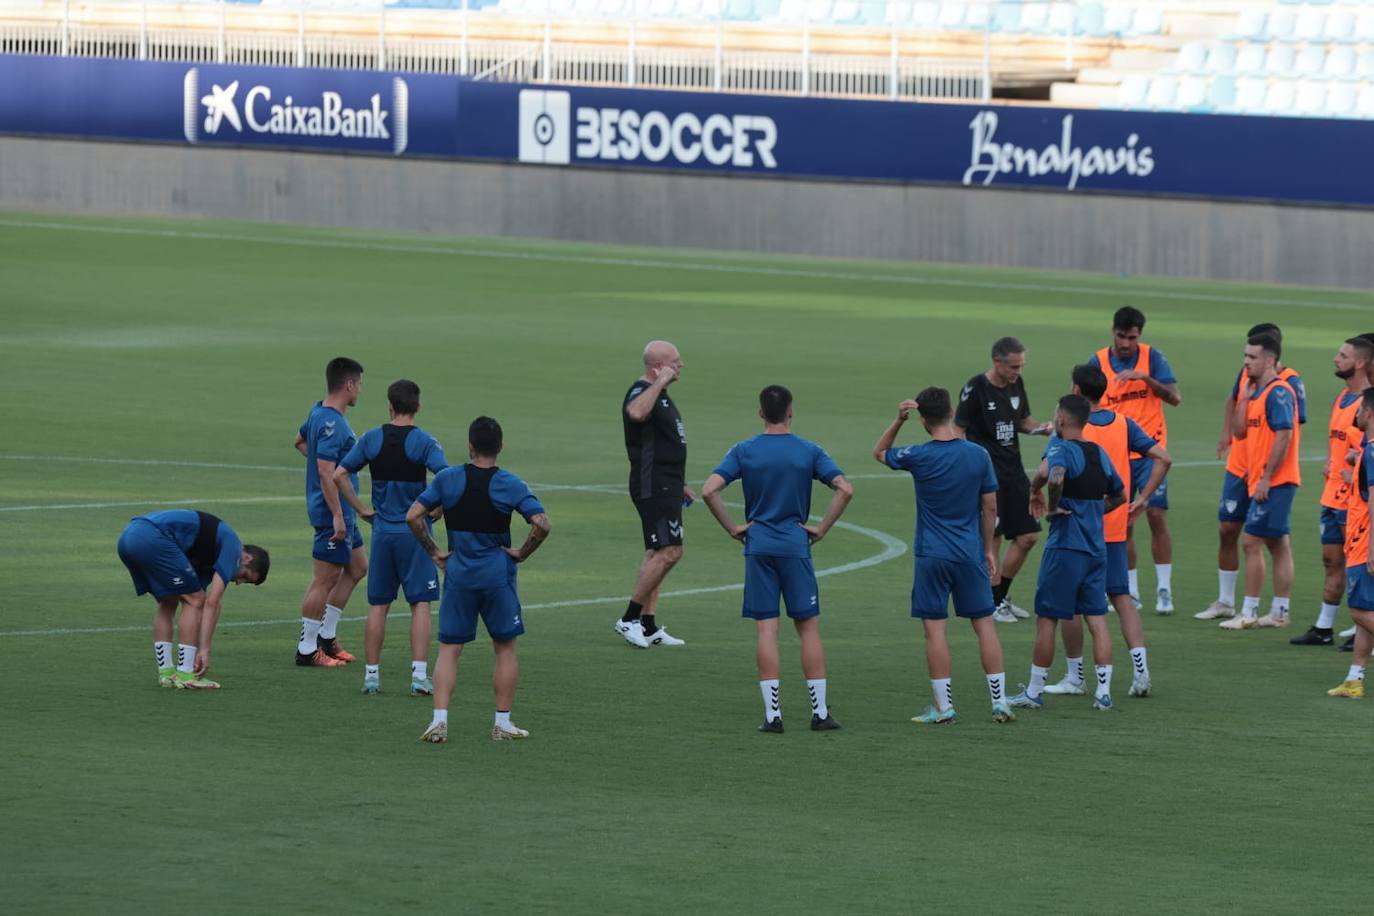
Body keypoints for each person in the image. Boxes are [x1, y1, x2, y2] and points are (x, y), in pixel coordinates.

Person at [701, 385, 851, 733]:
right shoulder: (808, 450)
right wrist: (822, 528)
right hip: (795, 545)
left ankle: (773, 717)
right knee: (808, 629)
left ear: (760, 413)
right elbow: (845, 488)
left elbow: (709, 490)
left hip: (759, 545)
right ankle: (819, 714)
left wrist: (732, 528)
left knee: (767, 630)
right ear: (790, 412)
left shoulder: (744, 450)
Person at [872, 386, 1015, 725]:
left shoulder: (919, 455)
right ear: (951, 411)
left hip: (932, 554)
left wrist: (897, 421)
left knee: (935, 630)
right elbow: (990, 505)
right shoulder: (978, 455)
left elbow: (880, 453)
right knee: (984, 625)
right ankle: (1000, 702)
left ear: (922, 419)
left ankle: (943, 706)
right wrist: (986, 550)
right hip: (968, 553)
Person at [412, 417, 551, 744]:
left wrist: (434, 551)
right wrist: (522, 553)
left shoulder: (447, 479)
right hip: (496, 575)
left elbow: (412, 516)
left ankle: (439, 720)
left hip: (459, 572)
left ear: (470, 446)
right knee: (504, 649)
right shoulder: (511, 484)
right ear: (500, 447)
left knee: (449, 649)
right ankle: (502, 723)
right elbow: (542, 524)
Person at [1043, 365, 1171, 699]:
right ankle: (1141, 674)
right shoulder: (1123, 423)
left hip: (1075, 530)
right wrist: (1141, 499)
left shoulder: (1069, 431)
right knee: (1122, 599)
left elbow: (1049, 473)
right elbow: (1163, 458)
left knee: (1069, 604)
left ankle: (1075, 676)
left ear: (1074, 391)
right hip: (1115, 527)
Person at [1009, 395, 1127, 712]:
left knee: (1047, 618)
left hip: (1066, 548)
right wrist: (1092, 511)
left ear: (1061, 418)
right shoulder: (1099, 453)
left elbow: (1055, 475)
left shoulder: (1062, 448)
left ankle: (1034, 691)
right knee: (1097, 619)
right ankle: (1104, 692)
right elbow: (1119, 495)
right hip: (1096, 549)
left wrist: (1053, 504)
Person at [334, 379, 449, 695]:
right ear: (418, 407)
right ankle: (418, 676)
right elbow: (447, 479)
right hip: (416, 534)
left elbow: (339, 474)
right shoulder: (424, 442)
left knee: (378, 605)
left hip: (382, 532)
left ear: (390, 406)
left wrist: (360, 510)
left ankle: (371, 676)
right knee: (421, 604)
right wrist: (436, 509)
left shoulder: (372, 438)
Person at [1198, 324, 1306, 621]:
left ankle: (1248, 612)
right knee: (1271, 539)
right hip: (1250, 473)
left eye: (1251, 356)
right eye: (1244, 355)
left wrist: (1267, 477)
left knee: (1253, 541)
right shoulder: (1253, 388)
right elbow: (1240, 430)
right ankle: (1276, 612)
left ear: (1270, 359)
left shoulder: (1282, 390)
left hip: (1274, 478)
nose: (1245, 362)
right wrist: (1244, 399)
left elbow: (1285, 434)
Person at [1088, 307, 1182, 613]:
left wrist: (1146, 378)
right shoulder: (1099, 361)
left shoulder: (1152, 358)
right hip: (1115, 453)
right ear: (1112, 331)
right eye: (1121, 336)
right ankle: (1130, 591)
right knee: (1122, 522)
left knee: (1156, 515)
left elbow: (1174, 397)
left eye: (1132, 337)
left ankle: (1164, 589)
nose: (1126, 343)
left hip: (1149, 451)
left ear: (1139, 335)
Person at [954, 337, 1053, 623]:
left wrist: (1042, 429)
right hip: (987, 475)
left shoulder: (1015, 385)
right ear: (997, 362)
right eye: (1013, 366)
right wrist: (965, 468)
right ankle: (991, 602)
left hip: (1014, 471)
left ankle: (1000, 597)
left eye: (1021, 366)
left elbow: (1022, 421)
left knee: (1029, 535)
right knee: (993, 537)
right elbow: (959, 430)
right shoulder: (975, 389)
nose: (1017, 372)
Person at [116, 510, 270, 689]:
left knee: (169, 601)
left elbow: (198, 610)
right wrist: (204, 650)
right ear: (247, 557)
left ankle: (166, 673)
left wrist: (198, 648)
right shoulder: (234, 546)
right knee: (195, 600)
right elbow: (212, 602)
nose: (238, 581)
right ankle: (185, 673)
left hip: (128, 537)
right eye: (245, 575)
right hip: (151, 537)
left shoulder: (207, 559)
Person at [1292, 338, 1372, 646]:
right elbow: (1337, 441)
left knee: (1360, 564)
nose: (1335, 359)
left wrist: (1355, 472)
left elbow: (1367, 452)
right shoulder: (1341, 397)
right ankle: (1324, 627)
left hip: (1355, 501)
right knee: (1331, 560)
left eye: (1343, 356)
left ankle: (1362, 628)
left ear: (1361, 363)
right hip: (1331, 494)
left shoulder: (1367, 405)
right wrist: (1331, 460)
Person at [614, 340, 690, 648]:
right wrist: (659, 381)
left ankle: (648, 625)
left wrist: (680, 481)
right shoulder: (641, 392)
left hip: (667, 483)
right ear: (657, 367)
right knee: (669, 551)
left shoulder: (661, 396)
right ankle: (629, 618)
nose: (680, 365)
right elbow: (635, 413)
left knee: (658, 550)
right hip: (653, 484)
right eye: (674, 361)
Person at [293, 356, 367, 667]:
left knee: (357, 568)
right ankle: (307, 650)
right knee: (325, 578)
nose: (360, 391)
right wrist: (336, 513)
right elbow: (325, 472)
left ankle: (326, 635)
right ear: (348, 384)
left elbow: (299, 442)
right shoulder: (332, 423)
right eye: (359, 384)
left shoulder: (317, 411)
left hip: (344, 510)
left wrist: (322, 466)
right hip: (332, 513)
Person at [1328, 390, 1374, 697]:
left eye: (1360, 409)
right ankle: (1354, 679)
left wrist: (1371, 548)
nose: (1355, 414)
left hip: (1364, 541)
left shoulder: (1371, 451)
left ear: (1369, 413)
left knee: (1359, 612)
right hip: (1363, 540)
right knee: (1364, 616)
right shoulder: (1367, 451)